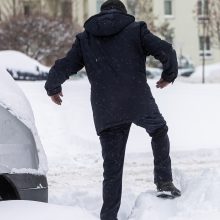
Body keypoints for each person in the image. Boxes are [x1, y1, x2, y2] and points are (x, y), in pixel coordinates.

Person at [45, 0, 181, 219]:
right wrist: (168, 75)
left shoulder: (86, 38)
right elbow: (165, 49)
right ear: (122, 12)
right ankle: (164, 181)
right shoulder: (136, 30)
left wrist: (53, 86)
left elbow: (64, 65)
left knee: (112, 168)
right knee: (158, 130)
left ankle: (108, 216)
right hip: (137, 100)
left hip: (105, 108)